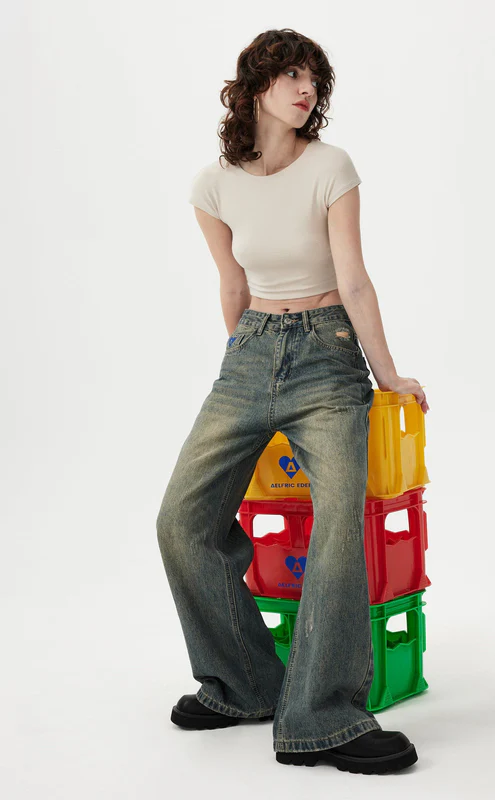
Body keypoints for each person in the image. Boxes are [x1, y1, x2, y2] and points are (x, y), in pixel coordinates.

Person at [156, 28, 428, 775]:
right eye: (293, 76)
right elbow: (233, 284)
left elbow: (354, 278)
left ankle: (324, 716)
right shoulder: (213, 185)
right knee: (181, 522)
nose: (307, 90)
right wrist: (241, 366)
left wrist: (388, 375)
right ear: (255, 87)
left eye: (315, 80)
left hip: (328, 357)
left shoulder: (331, 167)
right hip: (249, 355)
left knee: (339, 523)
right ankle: (243, 683)